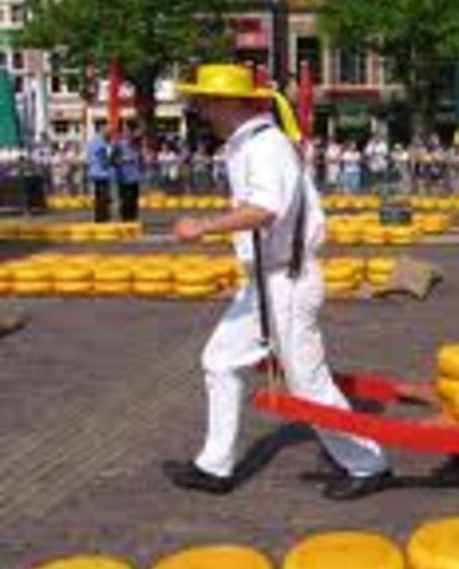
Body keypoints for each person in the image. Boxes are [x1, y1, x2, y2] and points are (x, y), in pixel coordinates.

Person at [164, 64, 389, 497]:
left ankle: (367, 463)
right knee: (219, 360)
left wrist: (204, 226)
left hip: (285, 281)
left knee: (307, 381)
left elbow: (267, 209)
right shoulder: (247, 144)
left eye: (206, 101)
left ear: (230, 102)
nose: (200, 110)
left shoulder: (265, 146)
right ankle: (215, 466)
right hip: (265, 284)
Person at [86, 130, 114, 222]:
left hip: (94, 172)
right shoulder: (101, 145)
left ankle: (98, 216)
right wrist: (110, 163)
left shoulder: (91, 143)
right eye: (109, 137)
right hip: (102, 173)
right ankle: (103, 217)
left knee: (98, 196)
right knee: (104, 196)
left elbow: (89, 158)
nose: (110, 140)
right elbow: (103, 159)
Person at [114, 129, 142, 222]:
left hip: (135, 177)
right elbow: (113, 160)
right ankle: (125, 219)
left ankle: (133, 219)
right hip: (124, 178)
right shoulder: (119, 146)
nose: (132, 137)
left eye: (132, 136)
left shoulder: (137, 147)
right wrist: (124, 160)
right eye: (129, 136)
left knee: (134, 200)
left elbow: (140, 160)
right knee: (125, 200)